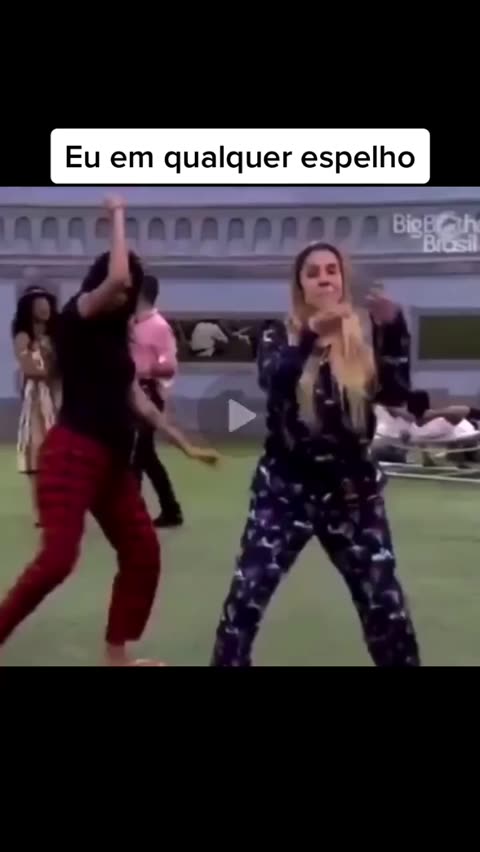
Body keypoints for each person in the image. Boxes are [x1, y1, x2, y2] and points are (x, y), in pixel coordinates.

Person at [0, 197, 218, 666]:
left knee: (142, 553)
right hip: (72, 456)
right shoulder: (75, 318)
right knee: (58, 559)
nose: (124, 293)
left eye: (131, 290)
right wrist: (118, 214)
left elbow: (137, 400)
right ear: (98, 282)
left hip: (113, 465)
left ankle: (117, 655)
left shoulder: (118, 341)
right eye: (120, 286)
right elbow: (116, 277)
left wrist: (186, 444)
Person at [210, 241, 420, 667]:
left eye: (331, 270)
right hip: (285, 491)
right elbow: (276, 381)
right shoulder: (277, 334)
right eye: (313, 273)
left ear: (342, 280)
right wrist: (310, 336)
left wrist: (394, 330)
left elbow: (395, 393)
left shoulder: (362, 336)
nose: (324, 279)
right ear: (300, 286)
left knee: (385, 607)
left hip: (354, 497)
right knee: (245, 599)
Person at [130, 274, 183, 527]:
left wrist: (143, 369)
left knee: (137, 454)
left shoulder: (159, 327)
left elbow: (170, 366)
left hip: (148, 391)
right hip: (132, 391)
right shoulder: (132, 324)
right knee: (146, 456)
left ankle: (133, 513)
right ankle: (170, 509)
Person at [12, 285, 60, 524]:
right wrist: (50, 366)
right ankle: (39, 510)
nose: (45, 308)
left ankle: (57, 506)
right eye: (40, 305)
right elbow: (30, 369)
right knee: (35, 454)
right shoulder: (23, 338)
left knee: (58, 456)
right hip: (35, 401)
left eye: (47, 304)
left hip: (56, 399)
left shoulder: (55, 337)